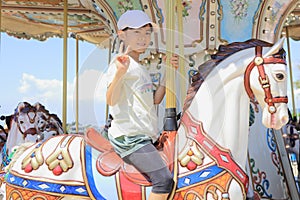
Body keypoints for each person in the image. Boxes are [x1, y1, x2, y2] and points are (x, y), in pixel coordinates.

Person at [105, 10, 178, 200]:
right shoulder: (121, 64)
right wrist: (120, 73)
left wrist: (167, 74)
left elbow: (155, 99)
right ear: (122, 34)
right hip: (130, 137)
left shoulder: (140, 67)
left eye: (146, 33)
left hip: (144, 135)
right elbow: (110, 99)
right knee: (164, 179)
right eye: (137, 32)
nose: (143, 38)